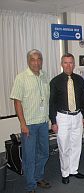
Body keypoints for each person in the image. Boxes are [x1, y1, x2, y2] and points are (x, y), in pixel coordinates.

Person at [10, 49, 51, 193]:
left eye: (39, 59)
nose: (36, 62)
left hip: (43, 123)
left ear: (42, 61)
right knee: (29, 157)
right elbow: (17, 102)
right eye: (33, 59)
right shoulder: (21, 77)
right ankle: (30, 185)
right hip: (29, 125)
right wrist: (22, 123)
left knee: (45, 152)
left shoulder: (45, 76)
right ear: (28, 61)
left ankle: (38, 177)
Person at [49, 53, 84, 184]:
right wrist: (53, 122)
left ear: (74, 64)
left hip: (77, 116)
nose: (68, 65)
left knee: (76, 145)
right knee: (64, 146)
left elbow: (83, 99)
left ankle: (73, 170)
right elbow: (52, 103)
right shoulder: (55, 81)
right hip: (62, 117)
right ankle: (65, 172)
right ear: (61, 64)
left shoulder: (80, 80)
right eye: (65, 62)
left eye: (70, 62)